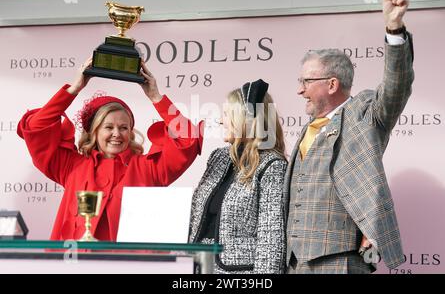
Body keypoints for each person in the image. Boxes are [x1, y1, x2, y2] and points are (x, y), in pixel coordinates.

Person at [285, 0, 413, 274]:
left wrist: (394, 31)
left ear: (332, 84)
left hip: (342, 261)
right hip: (294, 263)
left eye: (306, 82)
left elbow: (396, 87)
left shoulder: (365, 113)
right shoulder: (309, 129)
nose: (299, 90)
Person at [17, 58, 203, 241]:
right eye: (108, 127)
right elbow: (35, 128)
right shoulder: (70, 165)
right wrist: (74, 89)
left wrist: (156, 97)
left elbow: (188, 139)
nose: (117, 134)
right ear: (94, 131)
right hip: (73, 265)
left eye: (123, 128)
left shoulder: (150, 168)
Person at [188, 79, 288, 274]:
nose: (220, 121)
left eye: (226, 114)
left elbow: (271, 239)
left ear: (246, 118)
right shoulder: (219, 157)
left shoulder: (273, 165)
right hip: (199, 266)